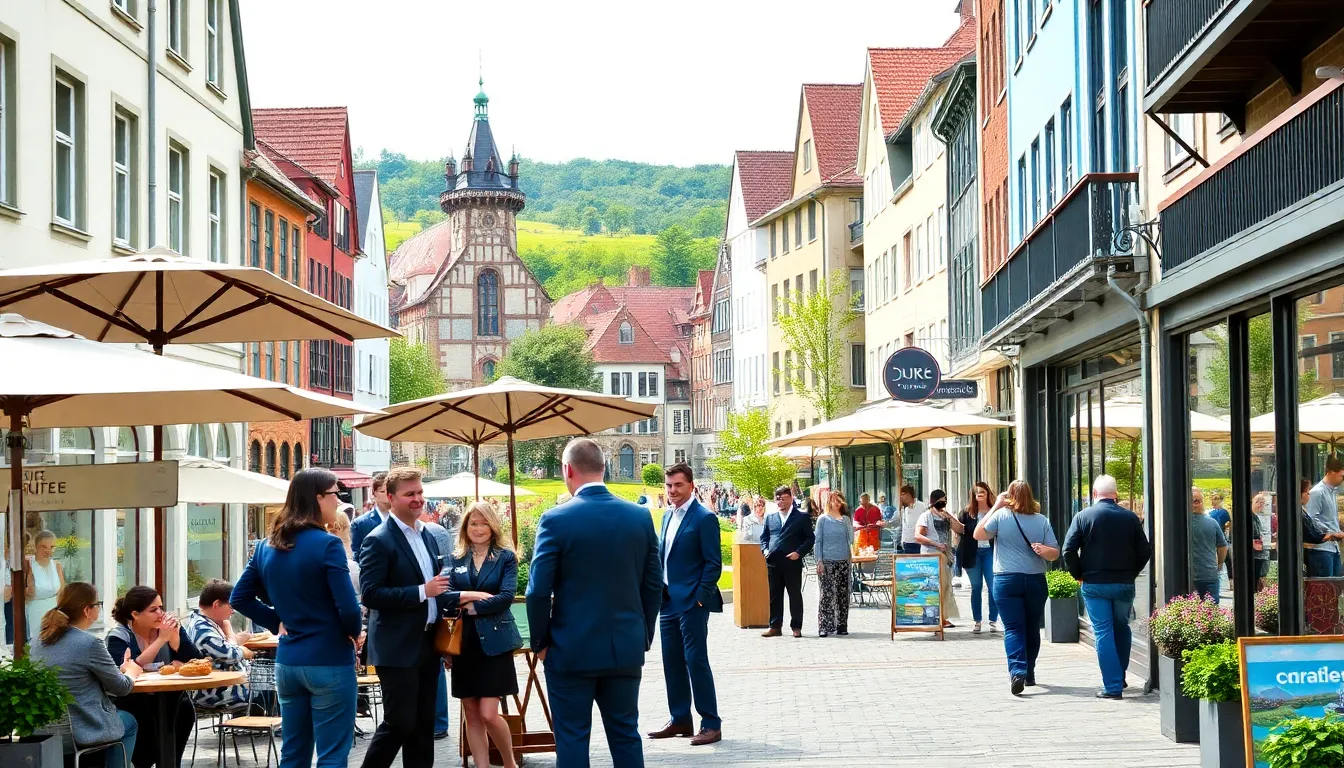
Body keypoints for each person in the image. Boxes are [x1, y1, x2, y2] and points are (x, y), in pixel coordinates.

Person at [525, 437, 662, 768]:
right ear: (604, 467)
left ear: (567, 470)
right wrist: (643, 633)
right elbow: (654, 584)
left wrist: (540, 642)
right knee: (626, 734)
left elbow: (537, 590)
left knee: (572, 737)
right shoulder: (639, 517)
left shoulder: (556, 519)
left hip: (571, 648)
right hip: (624, 646)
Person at [231, 467, 364, 768]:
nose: (338, 501)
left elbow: (239, 597)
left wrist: (275, 620)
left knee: (293, 752)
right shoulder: (328, 543)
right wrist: (352, 633)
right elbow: (349, 607)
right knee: (331, 755)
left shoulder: (267, 546)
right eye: (334, 494)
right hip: (328, 657)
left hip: (288, 661)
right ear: (317, 498)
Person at [358, 467, 457, 768]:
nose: (418, 499)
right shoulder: (379, 540)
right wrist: (421, 591)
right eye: (410, 494)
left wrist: (446, 637)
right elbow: (371, 594)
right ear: (390, 498)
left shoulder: (426, 535)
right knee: (399, 722)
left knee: (423, 726)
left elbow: (437, 590)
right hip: (396, 647)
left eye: (420, 492)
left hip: (427, 642)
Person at [648, 463, 723, 746]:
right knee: (672, 662)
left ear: (691, 486)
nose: (672, 491)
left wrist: (700, 597)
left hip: (692, 602)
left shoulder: (704, 518)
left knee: (695, 661)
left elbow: (713, 563)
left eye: (678, 485)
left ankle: (711, 723)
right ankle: (680, 718)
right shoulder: (667, 516)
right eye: (668, 486)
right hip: (667, 601)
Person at [445, 501, 523, 768]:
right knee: (471, 712)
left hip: (495, 643)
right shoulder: (455, 558)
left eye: (484, 522)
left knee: (489, 713)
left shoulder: (505, 557)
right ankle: (482, 766)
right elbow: (445, 597)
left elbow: (506, 597)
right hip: (463, 644)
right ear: (465, 526)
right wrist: (472, 595)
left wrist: (473, 607)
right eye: (473, 523)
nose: (478, 528)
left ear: (493, 525)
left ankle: (509, 763)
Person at [31, 582, 140, 768]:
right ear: (87, 610)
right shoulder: (89, 643)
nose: (99, 608)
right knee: (129, 721)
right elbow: (122, 688)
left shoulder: (37, 641)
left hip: (47, 730)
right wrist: (131, 671)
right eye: (98, 604)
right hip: (85, 728)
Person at [1062, 475, 1151, 699]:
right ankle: (1119, 677)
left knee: (1103, 632)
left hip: (1094, 583)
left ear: (1094, 494)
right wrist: (1131, 572)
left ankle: (1112, 686)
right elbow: (1145, 550)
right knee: (1122, 626)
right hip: (1123, 583)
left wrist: (1079, 574)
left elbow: (1068, 550)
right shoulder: (1130, 518)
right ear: (1115, 494)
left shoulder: (1083, 516)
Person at [974, 480, 1060, 696]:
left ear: (1009, 496)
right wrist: (1041, 549)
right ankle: (1029, 672)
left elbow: (978, 534)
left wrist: (995, 506)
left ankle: (1017, 670)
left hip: (1006, 580)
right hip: (1035, 580)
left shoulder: (1001, 516)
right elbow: (1055, 553)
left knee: (1013, 628)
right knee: (1032, 627)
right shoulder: (1041, 520)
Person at [106, 586, 203, 768]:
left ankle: (170, 763)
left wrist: (175, 643)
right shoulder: (119, 636)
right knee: (144, 715)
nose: (161, 613)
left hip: (168, 696)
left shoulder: (169, 630)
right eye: (153, 610)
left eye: (161, 607)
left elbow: (196, 661)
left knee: (184, 709)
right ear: (135, 614)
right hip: (134, 697)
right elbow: (127, 669)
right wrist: (161, 640)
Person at [183, 579, 253, 710]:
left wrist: (231, 637)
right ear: (216, 604)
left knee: (272, 684)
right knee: (272, 691)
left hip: (227, 686)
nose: (233, 612)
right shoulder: (203, 630)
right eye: (231, 607)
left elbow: (225, 647)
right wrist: (244, 650)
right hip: (216, 693)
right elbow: (231, 654)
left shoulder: (205, 622)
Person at [417, 506, 456, 741]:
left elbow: (446, 570)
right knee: (436, 668)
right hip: (436, 608)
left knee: (435, 668)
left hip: (433, 608)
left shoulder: (434, 532)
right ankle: (438, 722)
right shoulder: (437, 531)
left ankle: (438, 721)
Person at [759, 485, 815, 638]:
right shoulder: (770, 517)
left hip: (792, 562)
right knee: (774, 595)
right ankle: (775, 626)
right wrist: (764, 550)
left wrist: (799, 552)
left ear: (791, 498)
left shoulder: (801, 517)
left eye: (783, 498)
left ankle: (796, 626)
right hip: (773, 562)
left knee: (794, 595)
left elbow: (810, 538)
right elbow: (764, 537)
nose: (780, 502)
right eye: (777, 499)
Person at [916, 489, 963, 628]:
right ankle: (933, 617)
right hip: (931, 556)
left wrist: (950, 517)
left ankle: (943, 617)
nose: (943, 504)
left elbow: (960, 529)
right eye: (940, 501)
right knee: (933, 588)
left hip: (946, 557)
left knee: (946, 587)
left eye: (945, 501)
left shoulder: (945, 517)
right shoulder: (925, 516)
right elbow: (918, 536)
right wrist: (936, 544)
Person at [957, 482, 999, 634]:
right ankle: (977, 621)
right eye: (977, 492)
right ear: (973, 495)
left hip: (990, 552)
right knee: (976, 587)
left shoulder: (995, 511)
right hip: (972, 554)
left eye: (983, 491)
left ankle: (993, 620)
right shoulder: (966, 513)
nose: (980, 494)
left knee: (993, 587)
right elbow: (960, 533)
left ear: (988, 493)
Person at [813, 490, 854, 638]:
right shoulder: (823, 519)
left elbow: (851, 539)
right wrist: (819, 560)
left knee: (842, 594)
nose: (836, 503)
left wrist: (847, 521)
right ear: (828, 502)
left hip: (843, 560)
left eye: (839, 501)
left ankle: (842, 625)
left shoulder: (845, 519)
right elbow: (818, 541)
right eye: (833, 500)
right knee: (827, 595)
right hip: (827, 561)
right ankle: (824, 626)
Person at [1306, 456, 1344, 577]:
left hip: (1332, 548)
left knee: (1334, 588)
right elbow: (1312, 519)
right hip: (1320, 549)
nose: (1342, 480)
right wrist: (1331, 532)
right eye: (1341, 476)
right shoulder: (1317, 492)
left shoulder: (1331, 492)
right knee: (1324, 588)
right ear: (1332, 473)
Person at [1189, 487, 1227, 602]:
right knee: (1211, 613)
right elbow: (1222, 547)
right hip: (1209, 574)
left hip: (1188, 577)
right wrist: (1219, 564)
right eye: (1195, 501)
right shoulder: (1212, 522)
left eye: (1197, 501)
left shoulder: (1179, 522)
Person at [26, 529, 65, 638]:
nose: (48, 550)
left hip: (54, 613)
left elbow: (62, 592)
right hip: (35, 611)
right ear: (36, 547)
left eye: (52, 547)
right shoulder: (28, 565)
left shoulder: (57, 565)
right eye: (44, 546)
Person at [350, 471, 391, 558]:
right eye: (383, 491)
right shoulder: (360, 523)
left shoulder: (404, 518)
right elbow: (356, 552)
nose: (387, 495)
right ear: (374, 493)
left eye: (390, 491)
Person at [898, 485, 927, 555]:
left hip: (918, 543)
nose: (901, 497)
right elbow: (904, 526)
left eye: (903, 494)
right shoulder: (905, 509)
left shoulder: (922, 507)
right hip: (906, 544)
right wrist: (902, 541)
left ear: (908, 494)